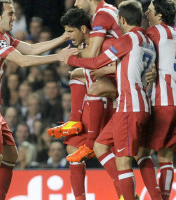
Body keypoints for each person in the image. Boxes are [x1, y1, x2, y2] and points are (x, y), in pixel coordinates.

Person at [0, 1, 74, 199]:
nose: (14, 17)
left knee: (11, 156)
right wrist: (58, 58)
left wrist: (63, 37)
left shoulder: (2, 37)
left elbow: (30, 49)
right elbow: (23, 61)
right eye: (10, 13)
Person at [64, 1, 156, 199]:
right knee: (104, 147)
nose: (76, 2)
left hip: (128, 105)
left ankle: (128, 197)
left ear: (122, 20)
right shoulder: (147, 40)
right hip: (142, 103)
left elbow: (96, 60)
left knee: (123, 162)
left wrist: (70, 59)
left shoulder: (127, 39)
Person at [144, 0, 176, 199]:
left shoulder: (154, 32)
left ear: (160, 16)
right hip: (174, 99)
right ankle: (164, 197)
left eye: (150, 10)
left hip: (162, 100)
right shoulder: (174, 33)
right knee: (166, 154)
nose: (146, 12)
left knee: (141, 153)